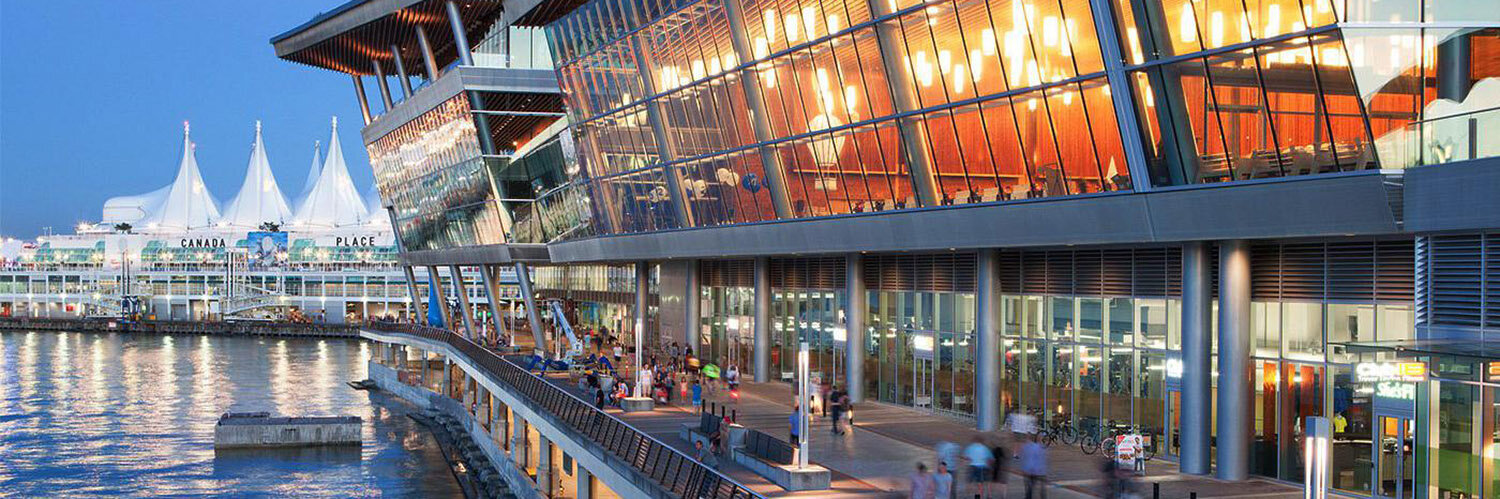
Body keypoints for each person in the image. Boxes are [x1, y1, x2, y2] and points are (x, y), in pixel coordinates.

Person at [1020, 434, 1048, 499]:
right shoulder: (1041, 447)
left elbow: (1024, 458)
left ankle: (1028, 496)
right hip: (1039, 470)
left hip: (1031, 470)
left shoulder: (1028, 447)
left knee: (1030, 486)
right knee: (1041, 487)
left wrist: (1025, 469)